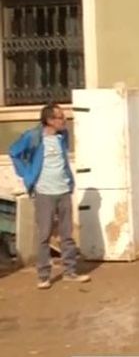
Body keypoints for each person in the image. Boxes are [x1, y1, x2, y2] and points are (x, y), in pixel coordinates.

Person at [9, 102, 91, 289]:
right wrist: (26, 174)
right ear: (49, 120)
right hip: (44, 192)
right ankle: (44, 276)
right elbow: (14, 152)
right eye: (60, 117)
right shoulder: (34, 137)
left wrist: (69, 182)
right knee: (44, 235)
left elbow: (62, 159)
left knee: (67, 235)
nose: (64, 120)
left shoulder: (63, 136)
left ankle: (70, 271)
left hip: (63, 190)